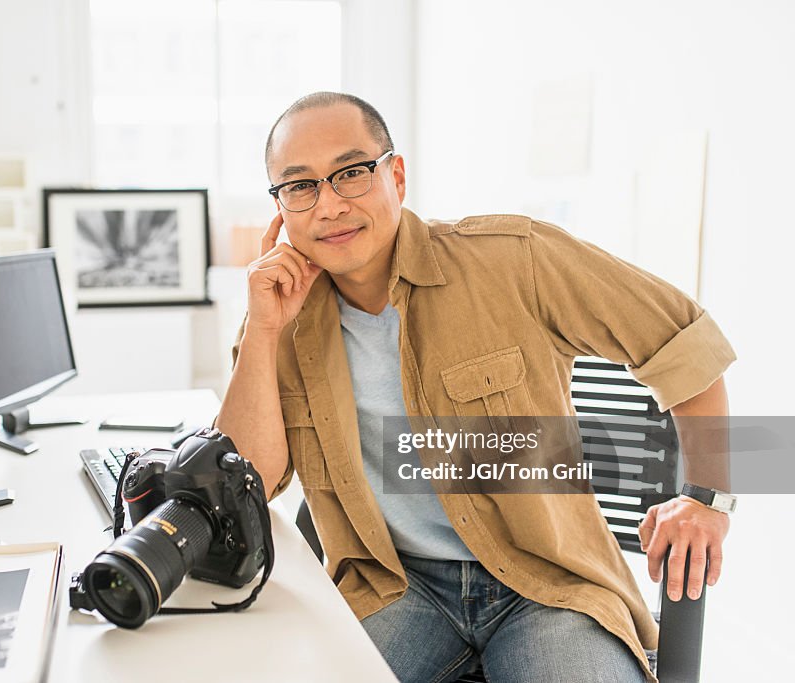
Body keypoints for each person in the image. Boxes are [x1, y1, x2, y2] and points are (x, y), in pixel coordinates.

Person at [214, 92, 736, 683]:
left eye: (352, 173)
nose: (329, 205)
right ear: (280, 207)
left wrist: (706, 497)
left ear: (397, 176)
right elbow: (243, 479)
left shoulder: (515, 259)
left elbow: (687, 345)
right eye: (300, 186)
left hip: (548, 587)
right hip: (395, 588)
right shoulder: (281, 312)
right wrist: (261, 333)